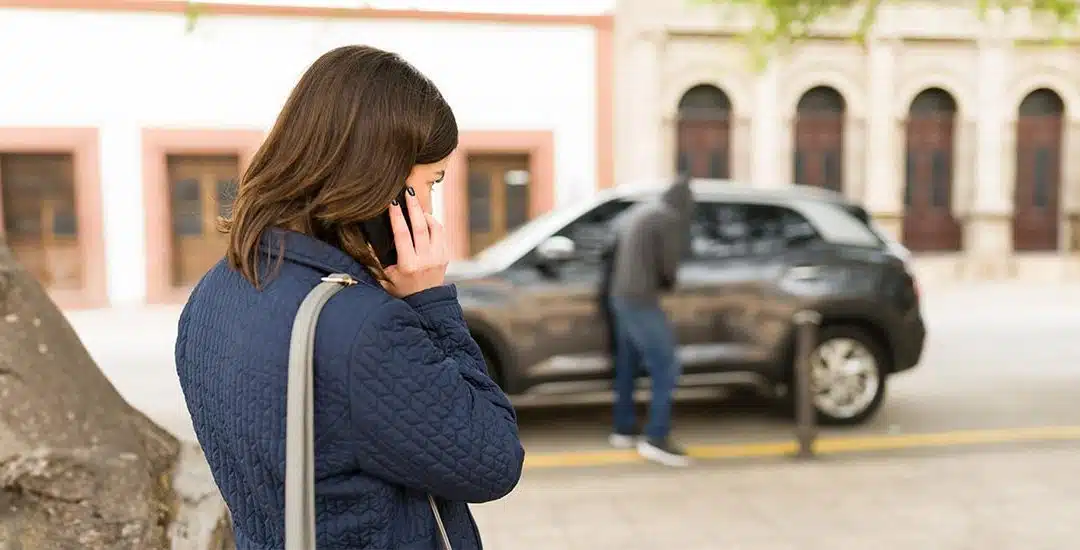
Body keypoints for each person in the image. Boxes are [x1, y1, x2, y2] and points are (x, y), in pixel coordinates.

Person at [174, 45, 525, 550]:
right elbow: (494, 460)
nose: (430, 208)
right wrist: (431, 303)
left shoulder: (215, 291)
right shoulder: (360, 328)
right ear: (384, 181)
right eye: (432, 182)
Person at [604, 175, 694, 467]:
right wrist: (670, 284)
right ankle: (656, 438)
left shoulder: (641, 212)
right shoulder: (668, 218)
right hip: (642, 298)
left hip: (620, 295)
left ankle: (623, 429)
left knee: (628, 366)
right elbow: (668, 266)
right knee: (666, 365)